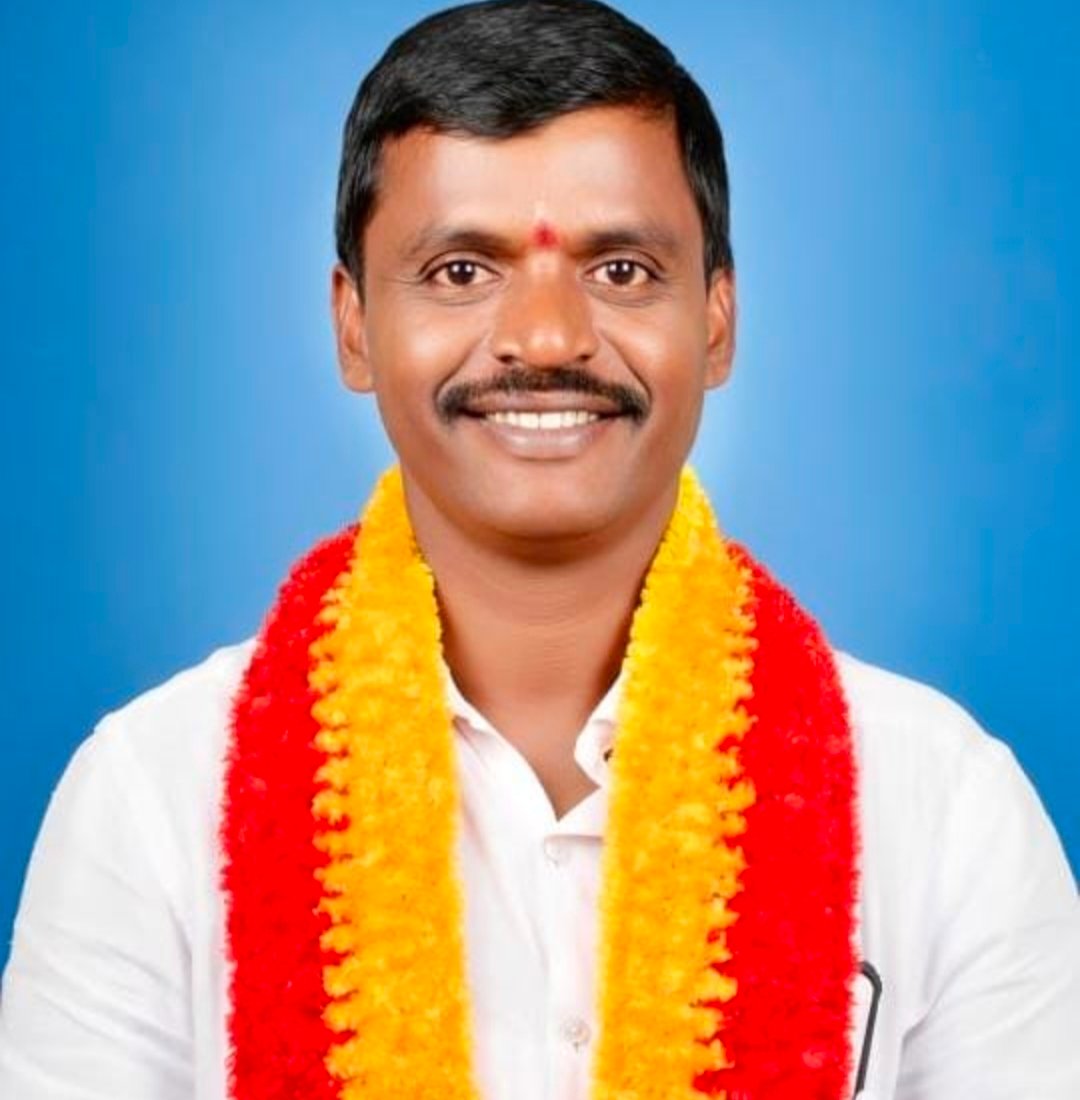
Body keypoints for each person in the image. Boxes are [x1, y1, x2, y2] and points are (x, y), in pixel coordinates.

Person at [1, 1, 1077, 1097]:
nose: (548, 337)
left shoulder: (944, 811)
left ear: (716, 321)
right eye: (462, 271)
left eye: (623, 271)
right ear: (354, 324)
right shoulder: (153, 800)